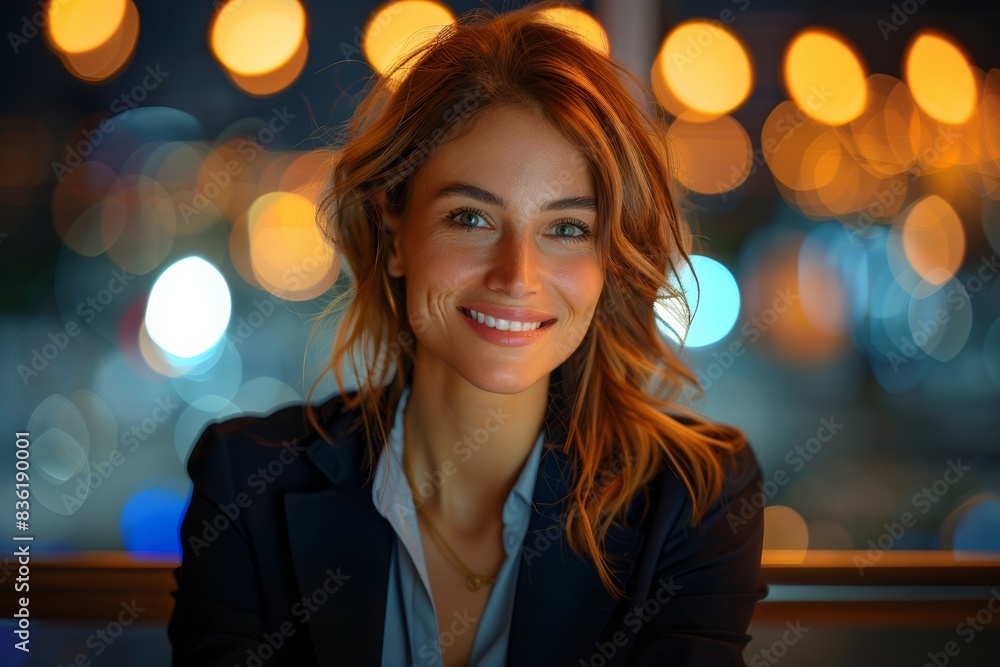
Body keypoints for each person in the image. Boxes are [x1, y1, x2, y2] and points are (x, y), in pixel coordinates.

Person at [168, 3, 767, 666]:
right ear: (395, 231)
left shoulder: (694, 496)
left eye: (566, 228)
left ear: (610, 260)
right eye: (472, 218)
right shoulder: (246, 483)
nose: (517, 275)